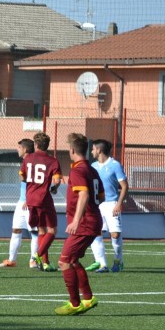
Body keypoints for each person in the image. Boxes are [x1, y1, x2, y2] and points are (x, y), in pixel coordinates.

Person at [55, 133, 102, 315]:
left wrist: (76, 220)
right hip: (92, 220)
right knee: (73, 261)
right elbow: (100, 197)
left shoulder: (78, 170)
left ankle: (75, 304)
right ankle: (89, 299)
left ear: (72, 150)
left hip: (83, 223)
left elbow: (84, 195)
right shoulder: (92, 170)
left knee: (64, 262)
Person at [84, 139, 128, 273]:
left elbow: (124, 186)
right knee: (96, 233)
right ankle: (102, 264)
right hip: (97, 205)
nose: (91, 151)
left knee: (114, 234)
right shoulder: (93, 166)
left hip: (112, 204)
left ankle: (118, 260)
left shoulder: (115, 165)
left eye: (93, 149)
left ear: (99, 150)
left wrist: (119, 204)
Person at [20, 132, 62, 272]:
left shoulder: (28, 159)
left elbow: (23, 177)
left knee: (41, 230)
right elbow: (56, 181)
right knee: (53, 230)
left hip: (30, 198)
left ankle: (45, 262)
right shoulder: (53, 161)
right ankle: (37, 256)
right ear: (47, 145)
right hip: (44, 198)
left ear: (36, 145)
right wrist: (54, 188)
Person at [0, 138, 40, 269]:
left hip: (30, 202)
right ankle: (12, 260)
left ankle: (33, 260)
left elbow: (32, 182)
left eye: (19, 147)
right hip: (22, 202)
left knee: (34, 232)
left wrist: (29, 199)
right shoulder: (26, 162)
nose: (17, 149)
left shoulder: (30, 163)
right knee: (16, 229)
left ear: (25, 149)